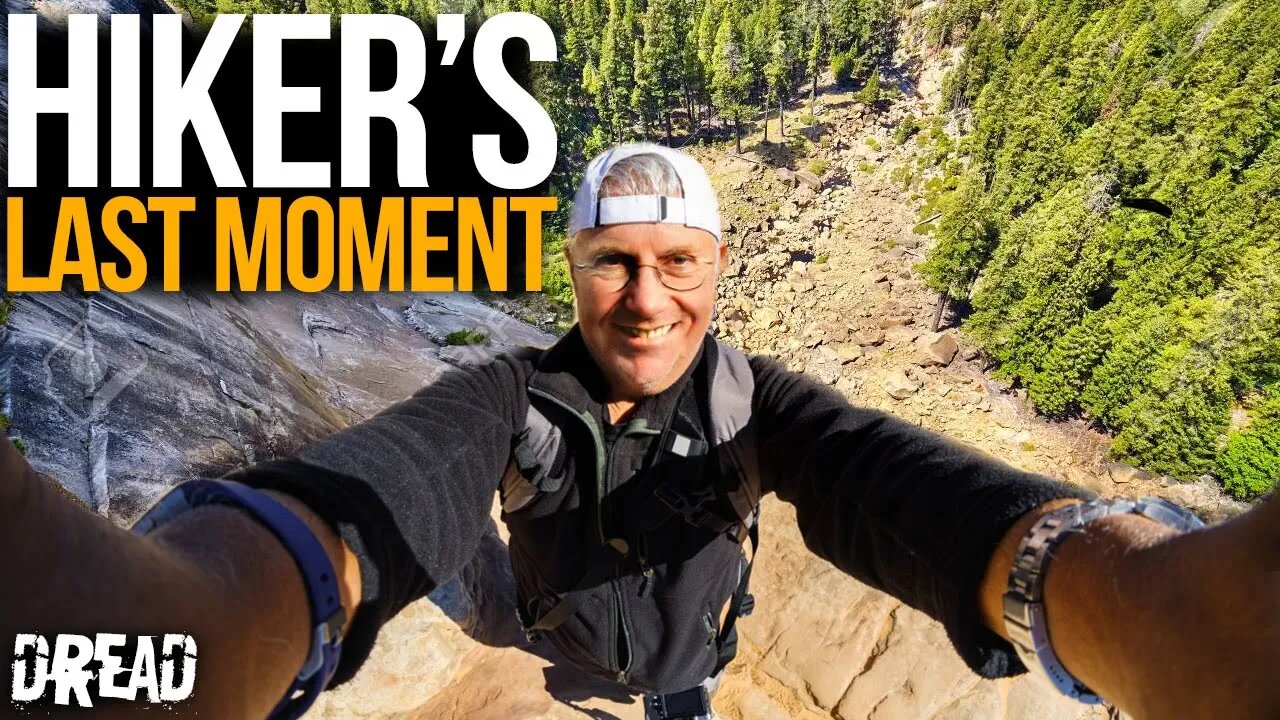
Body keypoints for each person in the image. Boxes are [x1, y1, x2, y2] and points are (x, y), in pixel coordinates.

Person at [2, 143, 1278, 720]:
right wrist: (218, 614)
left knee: (676, 704)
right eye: (614, 262)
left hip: (679, 664)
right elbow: (399, 479)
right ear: (572, 271)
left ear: (718, 267)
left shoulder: (753, 400)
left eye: (677, 262)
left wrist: (1119, 597)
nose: (647, 298)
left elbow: (880, 480)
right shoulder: (512, 396)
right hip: (554, 625)